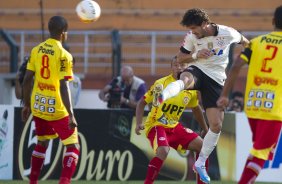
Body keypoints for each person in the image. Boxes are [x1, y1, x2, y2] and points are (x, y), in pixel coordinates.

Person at [156, 8, 249, 183]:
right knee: (186, 79)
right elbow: (180, 58)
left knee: (216, 125)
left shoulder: (227, 33)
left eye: (194, 28)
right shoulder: (191, 37)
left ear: (205, 24)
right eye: (190, 29)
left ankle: (200, 162)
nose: (192, 32)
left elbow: (244, 41)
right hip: (199, 70)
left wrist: (251, 51)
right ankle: (163, 95)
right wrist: (196, 55)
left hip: (216, 80)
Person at [217, 5, 282, 184]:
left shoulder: (256, 42)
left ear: (273, 21)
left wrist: (224, 95)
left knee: (258, 150)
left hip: (253, 105)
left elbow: (237, 66)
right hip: (273, 108)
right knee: (260, 152)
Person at [22, 16, 80, 184]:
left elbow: (26, 80)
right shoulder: (64, 55)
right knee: (73, 146)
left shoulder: (36, 50)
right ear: (63, 33)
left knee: (42, 142)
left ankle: (33, 181)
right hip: (57, 108)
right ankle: (64, 181)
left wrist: (27, 104)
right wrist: (71, 114)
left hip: (39, 105)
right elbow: (63, 86)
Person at [135, 56, 209, 184]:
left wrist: (205, 128)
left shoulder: (191, 89)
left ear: (188, 68)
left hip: (174, 127)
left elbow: (196, 108)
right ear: (171, 67)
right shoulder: (161, 84)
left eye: (183, 65)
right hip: (156, 125)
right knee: (163, 150)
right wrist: (138, 123)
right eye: (176, 65)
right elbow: (142, 103)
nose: (179, 67)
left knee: (203, 147)